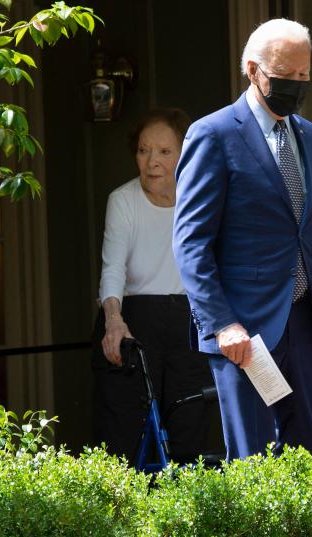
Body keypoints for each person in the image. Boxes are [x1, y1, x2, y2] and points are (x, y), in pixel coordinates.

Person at [173, 19, 312, 463]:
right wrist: (222, 323)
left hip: (303, 323)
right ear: (253, 69)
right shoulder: (214, 134)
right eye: (285, 74)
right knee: (253, 462)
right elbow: (191, 243)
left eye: (304, 76)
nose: (296, 85)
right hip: (245, 332)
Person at [92, 107, 213, 465]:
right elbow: (112, 266)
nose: (151, 162)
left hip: (189, 324)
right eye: (144, 150)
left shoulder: (202, 200)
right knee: (125, 437)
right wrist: (114, 320)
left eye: (164, 152)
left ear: (184, 155)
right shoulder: (123, 200)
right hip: (133, 321)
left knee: (188, 430)